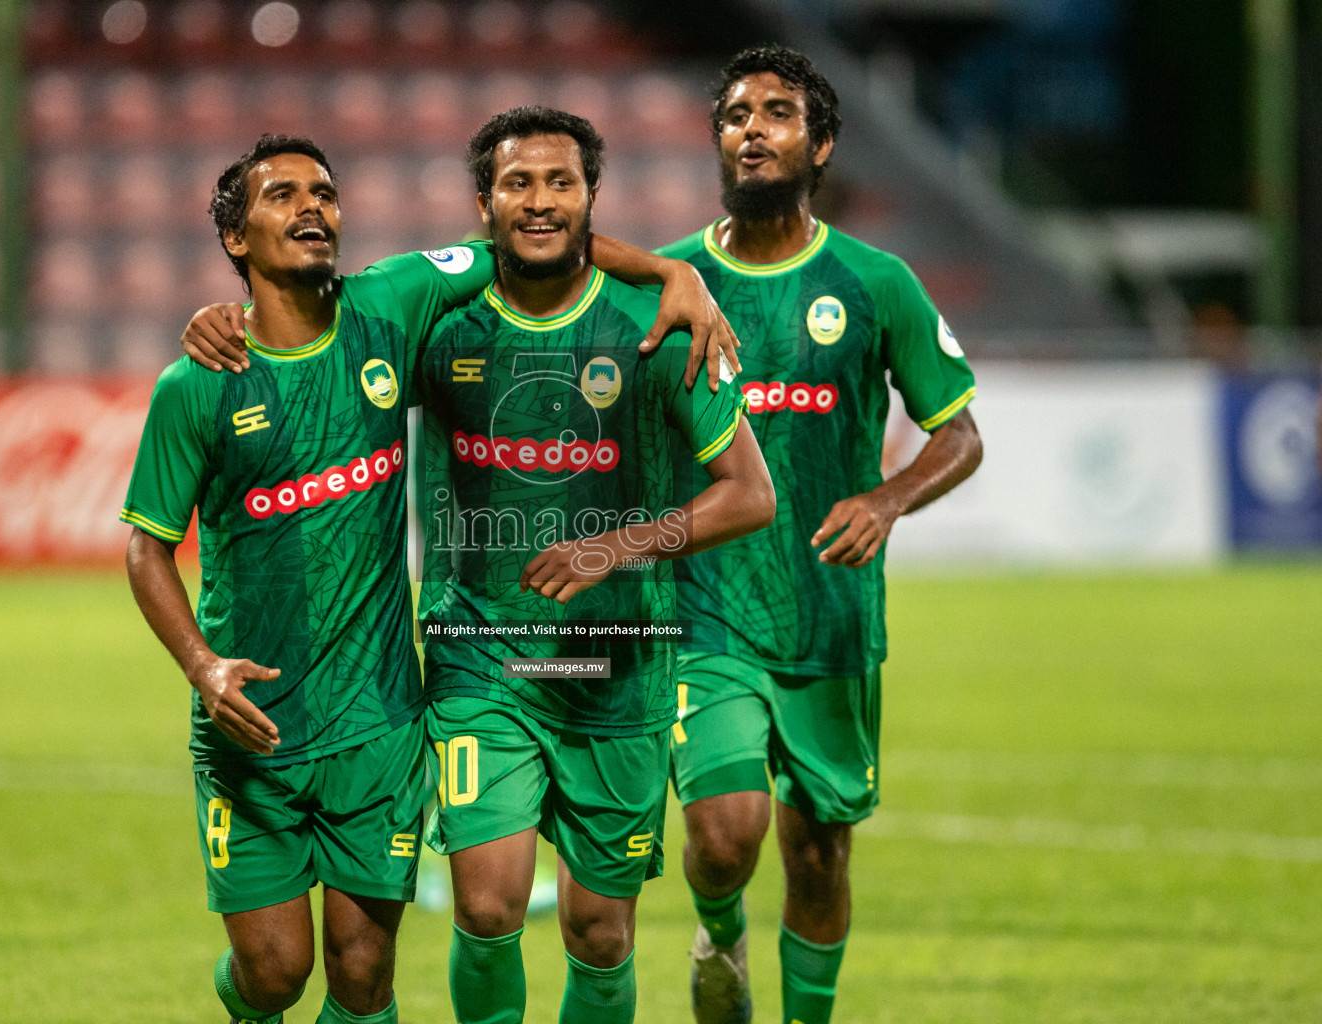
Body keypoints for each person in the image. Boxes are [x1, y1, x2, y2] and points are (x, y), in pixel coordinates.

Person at [148, 135, 740, 1024]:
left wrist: (671, 274)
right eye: (282, 197)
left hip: (506, 692)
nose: (311, 208)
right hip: (412, 683)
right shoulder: (217, 376)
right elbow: (144, 544)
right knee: (356, 950)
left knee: (572, 939)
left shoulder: (400, 305)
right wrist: (202, 664)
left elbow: (538, 238)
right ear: (236, 237)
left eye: (324, 191)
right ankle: (248, 991)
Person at [415, 107, 775, 1024]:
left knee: (600, 933)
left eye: (561, 183)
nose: (540, 202)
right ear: (483, 203)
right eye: (517, 184)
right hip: (481, 656)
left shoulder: (658, 331)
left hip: (619, 664)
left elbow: (749, 493)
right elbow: (318, 324)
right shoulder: (436, 324)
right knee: (489, 904)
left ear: (591, 197)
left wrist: (616, 546)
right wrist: (228, 315)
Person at [660, 46, 984, 1024]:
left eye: (777, 112)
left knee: (819, 850)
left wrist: (887, 500)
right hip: (705, 616)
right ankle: (719, 929)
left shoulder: (876, 283)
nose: (751, 128)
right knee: (725, 836)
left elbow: (960, 434)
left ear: (823, 142)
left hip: (831, 620)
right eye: (734, 114)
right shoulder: (666, 281)